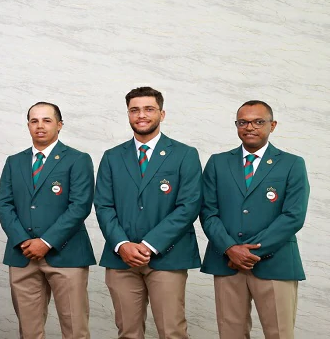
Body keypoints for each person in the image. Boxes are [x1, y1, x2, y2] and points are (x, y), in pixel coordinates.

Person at [95, 87, 202, 339]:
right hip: (121, 258)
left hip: (169, 256)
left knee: (172, 331)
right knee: (127, 332)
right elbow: (103, 205)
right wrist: (122, 244)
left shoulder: (185, 154)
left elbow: (188, 206)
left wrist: (149, 245)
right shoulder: (112, 157)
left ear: (162, 114)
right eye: (134, 110)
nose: (141, 115)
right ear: (128, 114)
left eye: (149, 109)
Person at [200, 100, 309, 339]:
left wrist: (249, 252)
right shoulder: (218, 162)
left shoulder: (292, 164)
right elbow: (208, 212)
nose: (250, 127)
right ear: (236, 125)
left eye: (258, 122)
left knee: (279, 334)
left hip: (276, 263)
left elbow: (293, 216)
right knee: (230, 334)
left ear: (273, 125)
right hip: (226, 262)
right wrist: (230, 248)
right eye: (243, 122)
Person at [0, 101, 96, 338]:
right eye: (34, 121)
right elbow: (4, 204)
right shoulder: (14, 161)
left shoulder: (78, 159)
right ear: (28, 125)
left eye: (47, 120)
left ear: (59, 125)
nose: (40, 126)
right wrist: (23, 240)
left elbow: (80, 206)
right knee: (29, 331)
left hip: (67, 254)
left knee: (75, 330)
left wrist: (46, 242)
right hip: (23, 255)